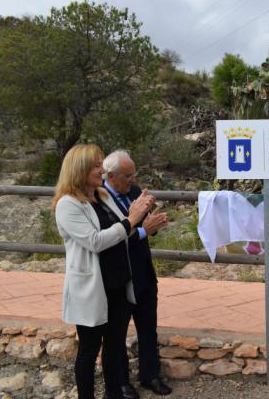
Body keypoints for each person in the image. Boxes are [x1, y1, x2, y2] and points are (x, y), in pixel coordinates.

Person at [52, 144, 153, 399]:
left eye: (101, 164)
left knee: (114, 346)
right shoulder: (67, 204)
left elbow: (123, 232)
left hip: (118, 284)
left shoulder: (103, 196)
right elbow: (95, 241)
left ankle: (113, 394)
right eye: (97, 165)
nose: (101, 169)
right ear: (80, 169)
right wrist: (132, 219)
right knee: (88, 350)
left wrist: (139, 222)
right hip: (92, 289)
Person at [102, 150, 171, 397]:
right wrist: (142, 231)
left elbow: (142, 225)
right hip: (119, 274)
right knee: (117, 332)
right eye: (128, 176)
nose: (134, 180)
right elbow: (109, 240)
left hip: (142, 269)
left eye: (134, 175)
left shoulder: (133, 191)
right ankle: (121, 382)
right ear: (111, 176)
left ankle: (150, 375)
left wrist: (152, 224)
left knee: (147, 325)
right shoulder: (97, 201)